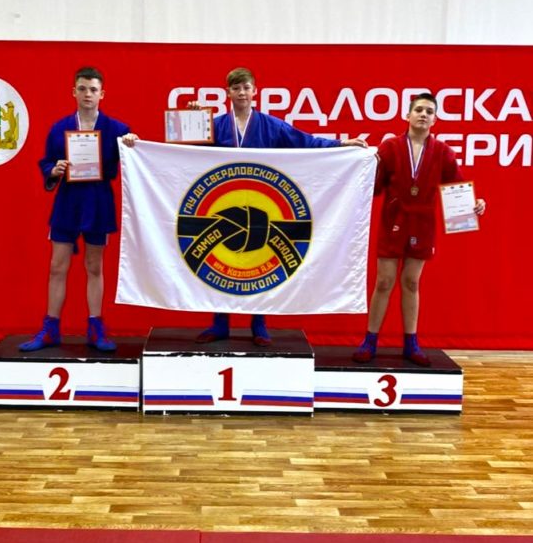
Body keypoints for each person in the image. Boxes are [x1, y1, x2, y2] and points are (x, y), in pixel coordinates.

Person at [195, 67, 368, 346]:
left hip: (262, 202)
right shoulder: (214, 125)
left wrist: (341, 143)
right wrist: (192, 120)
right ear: (227, 92)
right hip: (226, 202)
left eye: (246, 87)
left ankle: (259, 323)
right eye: (236, 88)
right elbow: (186, 151)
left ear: (255, 91)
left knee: (258, 263)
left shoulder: (271, 125)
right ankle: (220, 323)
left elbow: (305, 141)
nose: (241, 93)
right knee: (223, 263)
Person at [353, 92, 486, 367]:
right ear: (408, 115)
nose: (424, 114)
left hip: (423, 224)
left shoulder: (443, 152)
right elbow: (374, 188)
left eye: (429, 111)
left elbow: (456, 187)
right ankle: (370, 340)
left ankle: (411, 342)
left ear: (434, 120)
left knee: (412, 282)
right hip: (393, 222)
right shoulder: (390, 147)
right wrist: (365, 167)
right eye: (419, 110)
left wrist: (475, 204)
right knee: (384, 282)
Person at [20, 67, 137, 354]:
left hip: (98, 201)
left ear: (102, 94)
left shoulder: (117, 129)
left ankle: (95, 327)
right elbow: (47, 162)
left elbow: (134, 161)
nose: (87, 94)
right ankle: (51, 328)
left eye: (93, 89)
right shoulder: (59, 128)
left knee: (94, 266)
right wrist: (54, 169)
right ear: (73, 91)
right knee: (57, 266)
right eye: (82, 89)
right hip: (68, 201)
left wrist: (132, 142)